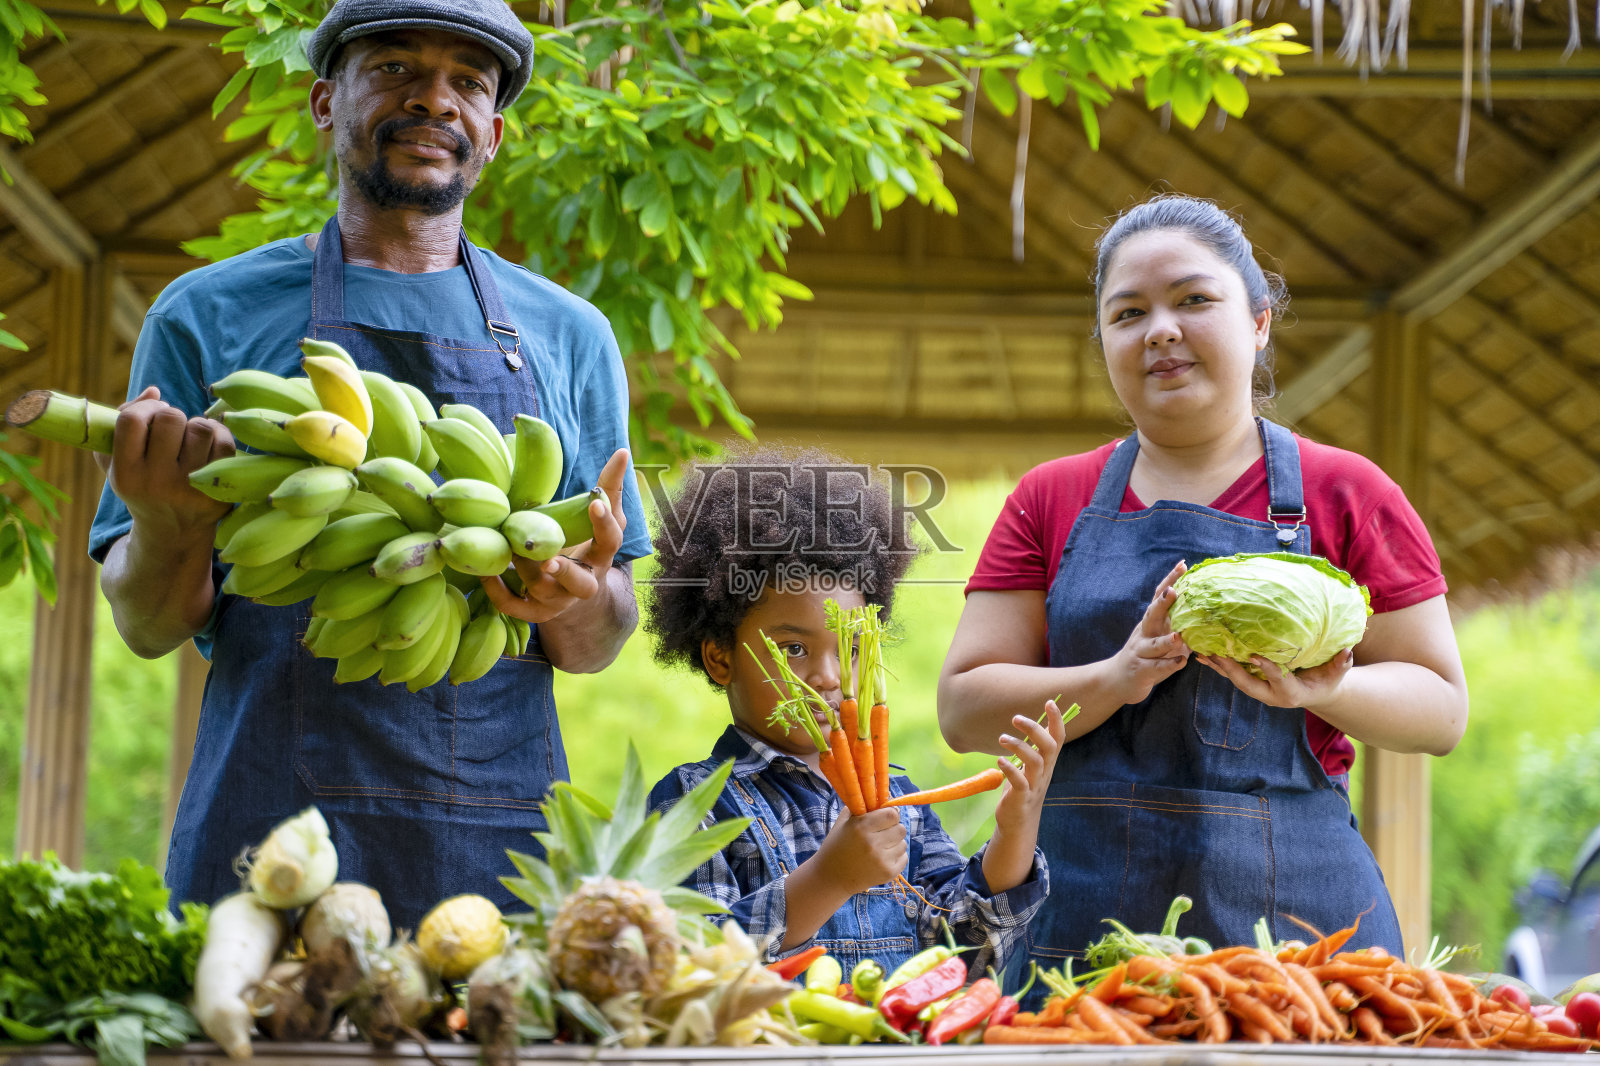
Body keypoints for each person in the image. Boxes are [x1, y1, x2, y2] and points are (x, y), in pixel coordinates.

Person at [88, 0, 651, 927]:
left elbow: (596, 643)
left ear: (494, 133)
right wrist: (164, 523)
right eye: (395, 69)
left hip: (497, 847)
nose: (435, 99)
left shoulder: (570, 337)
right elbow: (148, 627)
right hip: (264, 836)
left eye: (467, 82)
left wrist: (583, 598)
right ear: (324, 101)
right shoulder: (205, 316)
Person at [937, 195, 1468, 962]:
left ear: (1258, 322)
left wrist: (1326, 690)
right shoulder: (1049, 498)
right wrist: (1114, 677)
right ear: (1106, 342)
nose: (1160, 330)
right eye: (1127, 314)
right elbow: (963, 710)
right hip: (1080, 942)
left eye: (1193, 300)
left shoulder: (1349, 492)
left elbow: (1442, 709)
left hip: (1301, 945)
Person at [642, 446, 1060, 976]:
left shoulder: (902, 800)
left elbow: (964, 953)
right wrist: (828, 880)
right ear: (720, 657)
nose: (829, 677)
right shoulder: (693, 803)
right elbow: (686, 962)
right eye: (793, 649)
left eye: (851, 649)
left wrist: (1014, 834)